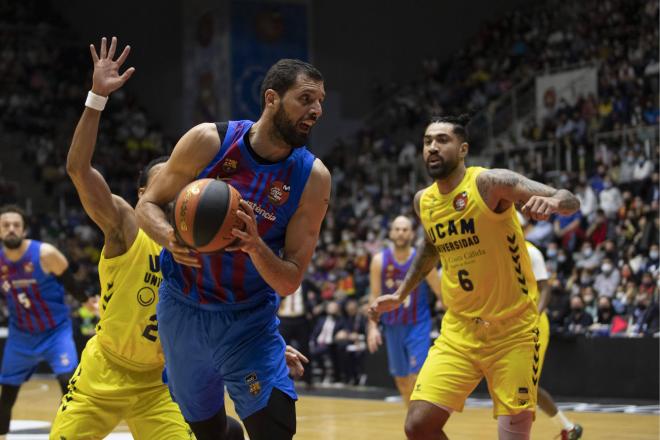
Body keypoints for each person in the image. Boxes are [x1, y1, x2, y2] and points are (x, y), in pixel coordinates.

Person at [135, 58, 330, 440]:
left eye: (320, 101)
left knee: (276, 427)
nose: (316, 110)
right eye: (306, 99)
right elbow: (147, 205)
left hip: (247, 318)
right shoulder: (209, 141)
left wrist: (256, 245)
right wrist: (170, 239)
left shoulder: (312, 178)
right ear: (271, 98)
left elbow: (290, 281)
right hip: (183, 307)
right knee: (209, 432)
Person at [369, 114, 580, 440]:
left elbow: (570, 199)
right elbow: (430, 248)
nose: (433, 148)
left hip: (513, 331)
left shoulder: (490, 183)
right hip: (460, 330)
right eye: (427, 141)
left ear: (463, 148)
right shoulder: (423, 201)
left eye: (442, 140)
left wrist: (551, 201)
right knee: (418, 426)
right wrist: (401, 293)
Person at [0, 205, 90, 439]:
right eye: (6, 225)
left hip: (55, 332)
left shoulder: (45, 253)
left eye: (16, 225)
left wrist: (87, 302)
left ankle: (72, 434)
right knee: (7, 394)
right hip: (21, 335)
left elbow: (71, 282)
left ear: (24, 229)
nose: (11, 229)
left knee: (68, 383)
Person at [367, 215, 442, 405]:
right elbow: (373, 297)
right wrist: (373, 328)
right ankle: (412, 419)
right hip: (392, 326)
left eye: (405, 229)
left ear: (411, 234)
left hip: (418, 324)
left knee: (417, 377)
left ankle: (417, 420)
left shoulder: (422, 259)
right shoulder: (379, 261)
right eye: (397, 229)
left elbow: (441, 292)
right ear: (391, 233)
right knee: (401, 378)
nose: (401, 233)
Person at [523, 237, 583, 440]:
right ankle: (568, 427)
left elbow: (545, 287)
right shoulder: (496, 251)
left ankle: (566, 427)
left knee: (526, 386)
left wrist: (536, 314)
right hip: (511, 326)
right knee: (520, 385)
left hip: (534, 325)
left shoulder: (531, 252)